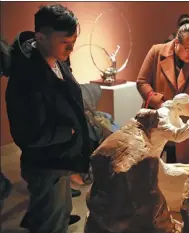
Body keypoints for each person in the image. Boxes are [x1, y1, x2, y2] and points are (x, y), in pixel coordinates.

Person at [6, 4, 90, 233]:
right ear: (41, 37)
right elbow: (27, 133)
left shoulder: (58, 61)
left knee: (59, 211)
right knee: (49, 221)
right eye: (65, 42)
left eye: (74, 40)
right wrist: (69, 132)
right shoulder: (26, 78)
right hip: (45, 165)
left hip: (60, 160)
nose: (72, 47)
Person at [137, 18, 189, 163]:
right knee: (148, 163)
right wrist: (161, 103)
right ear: (177, 42)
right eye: (188, 48)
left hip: (183, 123)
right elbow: (142, 82)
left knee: (177, 169)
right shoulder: (157, 51)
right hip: (158, 120)